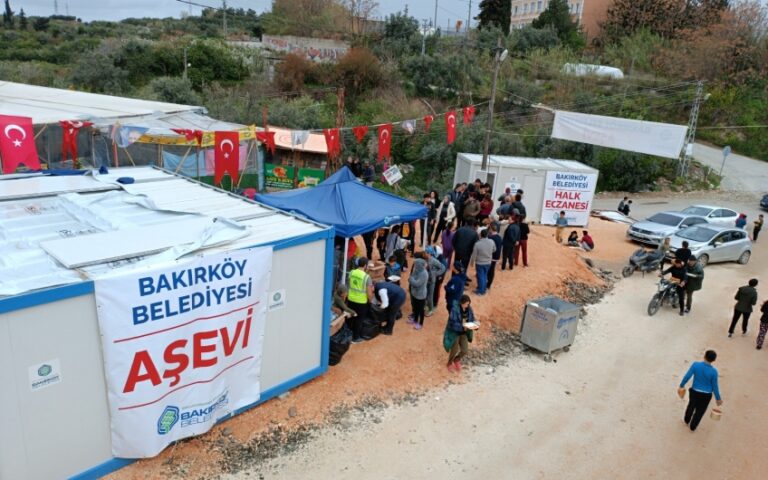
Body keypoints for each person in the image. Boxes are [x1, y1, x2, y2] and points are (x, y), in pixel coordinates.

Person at [678, 350, 723, 432]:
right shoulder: (714, 372)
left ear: (704, 356)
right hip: (706, 395)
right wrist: (718, 398)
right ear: (714, 360)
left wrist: (682, 385)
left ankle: (686, 420)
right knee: (700, 411)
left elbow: (687, 376)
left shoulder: (696, 365)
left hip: (694, 391)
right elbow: (715, 386)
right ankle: (693, 426)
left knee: (691, 405)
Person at [443, 295, 476, 372]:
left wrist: (474, 325)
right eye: (467, 304)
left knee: (465, 350)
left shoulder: (469, 309)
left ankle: (456, 360)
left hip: (464, 333)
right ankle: (449, 363)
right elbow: (451, 323)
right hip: (455, 333)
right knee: (454, 350)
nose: (468, 306)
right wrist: (462, 326)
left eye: (469, 304)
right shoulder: (455, 310)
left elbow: (472, 318)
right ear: (462, 303)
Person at [347, 257, 374, 343]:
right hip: (361, 302)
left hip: (351, 299)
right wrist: (370, 300)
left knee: (350, 317)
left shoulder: (351, 272)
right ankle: (355, 338)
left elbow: (349, 284)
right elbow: (369, 292)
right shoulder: (366, 277)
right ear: (365, 265)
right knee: (359, 319)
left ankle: (347, 334)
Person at [471, 229, 496, 296]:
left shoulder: (477, 244)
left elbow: (474, 254)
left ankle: (481, 291)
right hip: (488, 262)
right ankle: (483, 288)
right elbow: (494, 249)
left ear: (480, 235)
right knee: (484, 275)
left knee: (480, 276)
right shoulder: (491, 241)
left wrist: (471, 262)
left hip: (480, 263)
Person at [408, 256, 429, 330]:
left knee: (421, 310)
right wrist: (412, 279)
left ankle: (420, 324)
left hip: (421, 295)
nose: (414, 266)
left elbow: (416, 283)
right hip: (415, 293)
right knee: (416, 308)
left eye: (416, 264)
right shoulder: (416, 270)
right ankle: (415, 320)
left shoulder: (424, 274)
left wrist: (411, 279)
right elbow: (412, 277)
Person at [425, 246, 446, 316]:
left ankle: (431, 310)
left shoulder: (434, 260)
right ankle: (426, 306)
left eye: (426, 252)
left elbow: (443, 268)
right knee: (425, 294)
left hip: (432, 281)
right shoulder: (426, 259)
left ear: (429, 253)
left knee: (430, 296)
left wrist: (435, 274)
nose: (425, 253)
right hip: (426, 280)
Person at [487, 223, 503, 290]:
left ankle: (486, 283)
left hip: (490, 256)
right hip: (496, 256)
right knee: (492, 270)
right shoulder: (499, 237)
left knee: (488, 270)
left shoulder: (490, 237)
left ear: (491, 229)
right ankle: (489, 284)